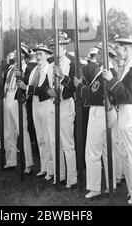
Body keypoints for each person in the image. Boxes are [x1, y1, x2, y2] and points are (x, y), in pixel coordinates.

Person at [102, 37, 132, 206]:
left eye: (118, 48)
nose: (117, 51)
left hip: (131, 112)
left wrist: (112, 81)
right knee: (125, 153)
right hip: (124, 112)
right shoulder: (128, 67)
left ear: (127, 49)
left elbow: (129, 95)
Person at [74, 43, 117, 200]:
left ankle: (94, 188)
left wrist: (80, 87)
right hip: (104, 112)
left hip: (99, 112)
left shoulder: (106, 72)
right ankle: (110, 184)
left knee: (92, 152)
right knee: (106, 151)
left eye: (99, 53)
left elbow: (93, 95)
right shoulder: (106, 71)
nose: (96, 56)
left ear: (106, 55)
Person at [17, 43, 53, 179]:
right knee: (40, 138)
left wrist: (27, 88)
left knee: (48, 137)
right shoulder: (34, 70)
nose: (38, 56)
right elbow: (27, 83)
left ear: (48, 56)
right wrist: (22, 81)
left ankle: (51, 170)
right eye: (36, 53)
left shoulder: (49, 69)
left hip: (46, 104)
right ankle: (44, 167)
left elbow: (46, 89)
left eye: (41, 54)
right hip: (35, 104)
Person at [47, 32, 78, 188]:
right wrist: (48, 91)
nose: (54, 49)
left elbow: (75, 86)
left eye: (57, 46)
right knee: (54, 141)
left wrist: (63, 77)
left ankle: (72, 178)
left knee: (67, 142)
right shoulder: (51, 63)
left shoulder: (72, 62)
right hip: (53, 104)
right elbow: (47, 84)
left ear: (64, 46)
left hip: (66, 103)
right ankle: (59, 174)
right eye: (52, 46)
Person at [3, 43, 33, 174]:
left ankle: (28, 163)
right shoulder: (10, 67)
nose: (16, 52)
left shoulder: (27, 68)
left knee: (22, 131)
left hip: (17, 99)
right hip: (7, 97)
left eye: (19, 51)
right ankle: (10, 161)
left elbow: (28, 84)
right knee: (8, 132)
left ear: (24, 54)